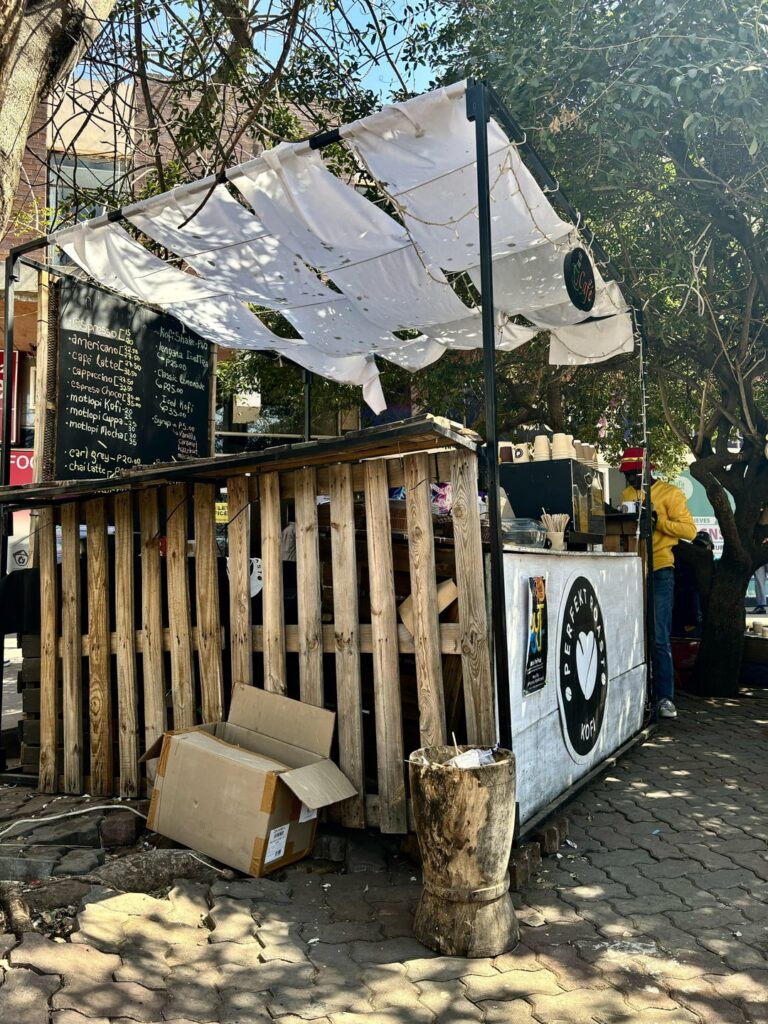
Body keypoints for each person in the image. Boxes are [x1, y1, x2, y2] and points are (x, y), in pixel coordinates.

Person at [621, 447, 697, 719]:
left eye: (633, 474)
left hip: (661, 568)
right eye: (626, 474)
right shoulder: (627, 496)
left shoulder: (670, 494)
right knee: (636, 634)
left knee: (659, 635)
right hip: (633, 568)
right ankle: (642, 692)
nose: (630, 479)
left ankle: (665, 697)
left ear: (647, 471)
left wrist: (659, 521)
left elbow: (690, 530)